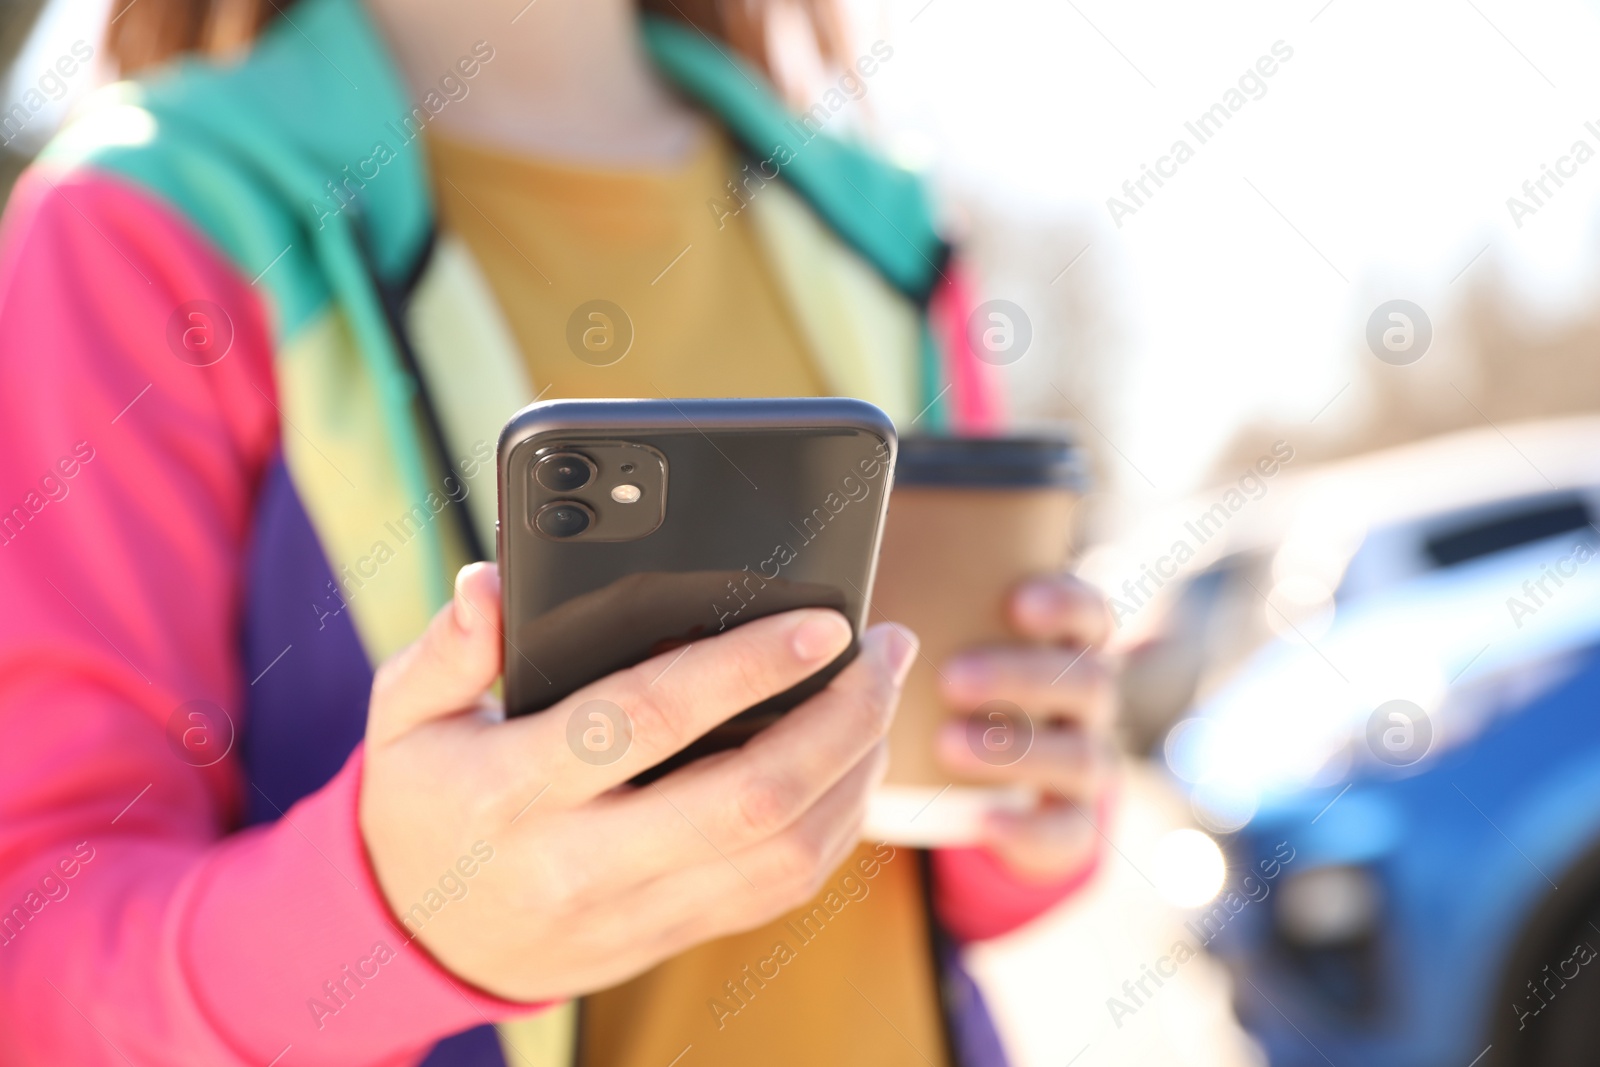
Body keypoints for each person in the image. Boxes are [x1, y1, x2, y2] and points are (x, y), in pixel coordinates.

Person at [0, 0, 1117, 1063]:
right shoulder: (144, 227)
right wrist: (391, 918)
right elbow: (36, 952)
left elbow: (937, 863)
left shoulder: (883, 230)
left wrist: (1032, 795)